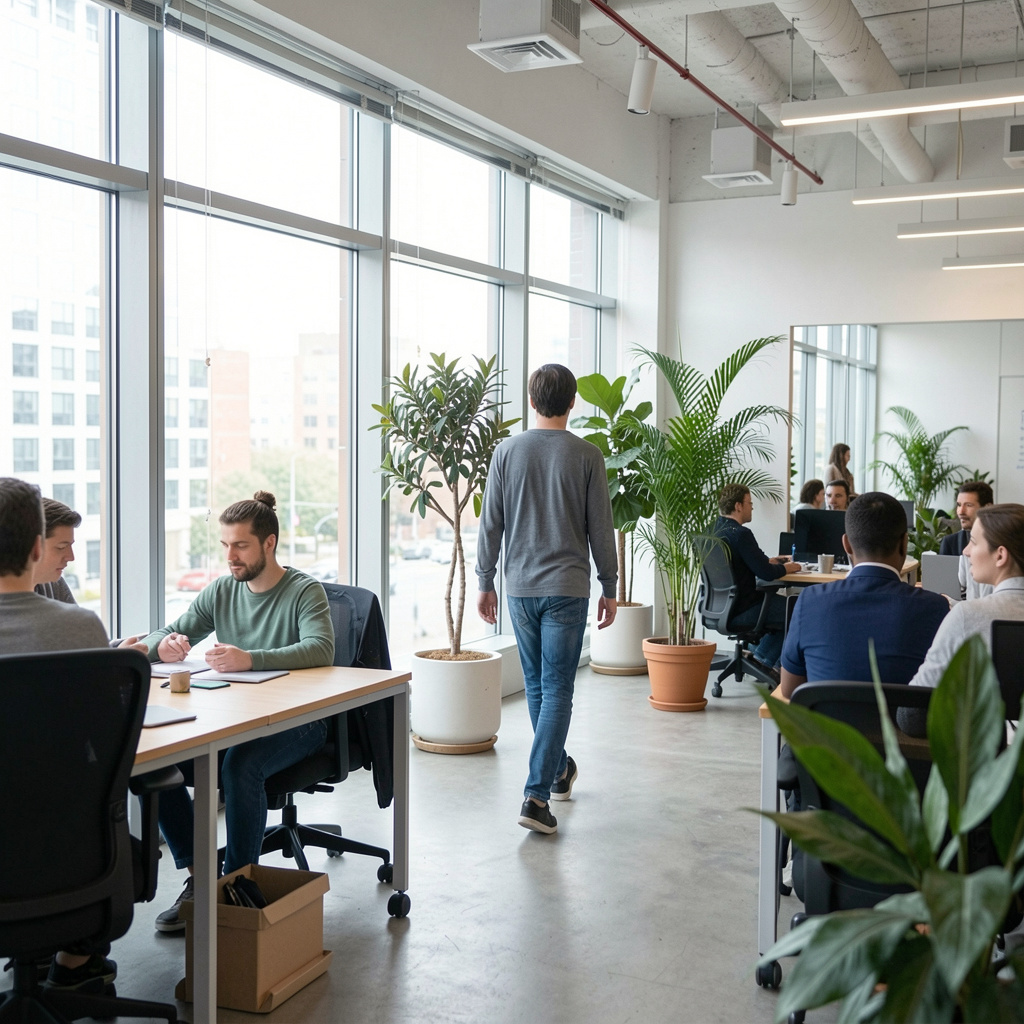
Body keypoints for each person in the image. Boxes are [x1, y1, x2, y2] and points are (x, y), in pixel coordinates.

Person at [142, 491, 335, 931]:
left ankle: (235, 890)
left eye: (240, 545)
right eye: (225, 545)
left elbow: (322, 648)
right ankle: (201, 877)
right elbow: (171, 630)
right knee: (158, 765)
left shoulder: (303, 590)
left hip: (301, 722)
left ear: (268, 543)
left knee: (239, 767)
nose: (230, 556)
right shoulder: (223, 590)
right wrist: (164, 646)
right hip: (238, 717)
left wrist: (252, 658)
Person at [476, 364, 617, 835]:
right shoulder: (587, 455)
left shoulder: (506, 451)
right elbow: (601, 527)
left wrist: (484, 580)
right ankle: (537, 795)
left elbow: (490, 523)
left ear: (532, 402)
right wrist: (610, 585)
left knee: (539, 688)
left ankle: (558, 771)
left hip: (520, 587)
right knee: (556, 689)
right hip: (568, 589)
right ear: (573, 402)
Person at [0, 477, 122, 993]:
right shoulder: (78, 627)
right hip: (66, 851)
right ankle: (74, 962)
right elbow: (110, 742)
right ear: (35, 547)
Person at [780, 492, 950, 698]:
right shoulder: (935, 608)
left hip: (828, 729)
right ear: (904, 544)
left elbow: (790, 691)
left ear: (846, 544)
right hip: (901, 731)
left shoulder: (810, 601)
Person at [909, 503, 1024, 691]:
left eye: (973, 542)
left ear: (1000, 555)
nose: (965, 551)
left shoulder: (967, 616)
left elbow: (916, 699)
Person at [714, 483, 800, 673]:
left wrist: (769, 561)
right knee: (797, 610)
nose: (751, 507)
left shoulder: (712, 530)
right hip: (744, 607)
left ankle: (763, 658)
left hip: (717, 607)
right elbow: (766, 574)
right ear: (738, 506)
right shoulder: (741, 534)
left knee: (787, 611)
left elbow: (739, 563)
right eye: (749, 503)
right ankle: (763, 658)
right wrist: (788, 567)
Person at [939, 480, 993, 556]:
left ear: (987, 508)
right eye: (959, 505)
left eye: (968, 505)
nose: (961, 512)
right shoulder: (950, 543)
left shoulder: (1003, 541)